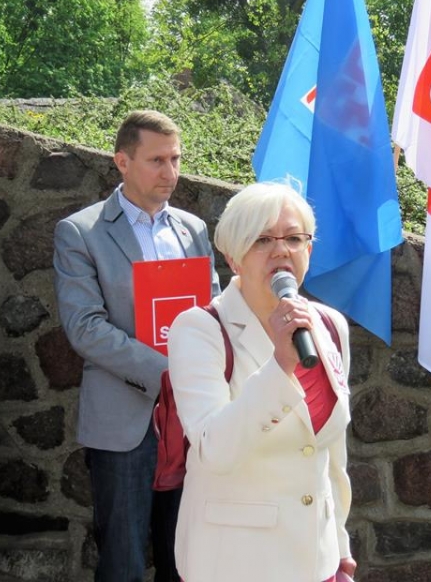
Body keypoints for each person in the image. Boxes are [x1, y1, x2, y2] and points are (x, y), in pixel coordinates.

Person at [53, 110, 221, 582]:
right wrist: (168, 371)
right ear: (122, 162)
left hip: (193, 417)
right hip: (124, 419)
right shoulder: (80, 232)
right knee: (123, 562)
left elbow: (213, 312)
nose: (170, 172)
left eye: (176, 159)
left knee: (189, 561)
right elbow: (85, 327)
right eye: (157, 161)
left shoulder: (193, 229)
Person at [166, 180, 357, 582]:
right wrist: (279, 367)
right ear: (234, 257)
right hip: (236, 563)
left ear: (309, 251)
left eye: (294, 238)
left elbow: (331, 452)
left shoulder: (329, 326)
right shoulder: (199, 329)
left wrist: (340, 545)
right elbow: (214, 449)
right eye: (263, 240)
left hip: (316, 559)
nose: (281, 251)